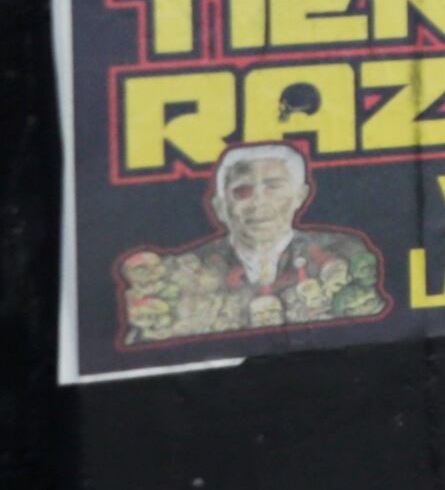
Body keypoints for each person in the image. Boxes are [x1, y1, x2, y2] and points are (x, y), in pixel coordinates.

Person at [114, 140, 387, 347]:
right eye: (242, 190)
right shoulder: (183, 273)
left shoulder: (344, 254)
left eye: (274, 186)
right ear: (220, 207)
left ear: (299, 196)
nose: (259, 201)